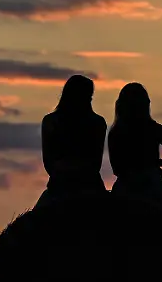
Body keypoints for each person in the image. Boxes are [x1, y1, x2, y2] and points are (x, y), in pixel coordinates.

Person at [36, 75, 108, 208]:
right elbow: (95, 163)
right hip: (85, 186)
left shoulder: (50, 121)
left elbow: (49, 162)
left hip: (63, 185)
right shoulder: (97, 122)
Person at [108, 82, 162, 206]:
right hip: (152, 188)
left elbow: (116, 169)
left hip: (126, 189)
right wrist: (154, 162)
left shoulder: (116, 131)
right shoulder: (157, 129)